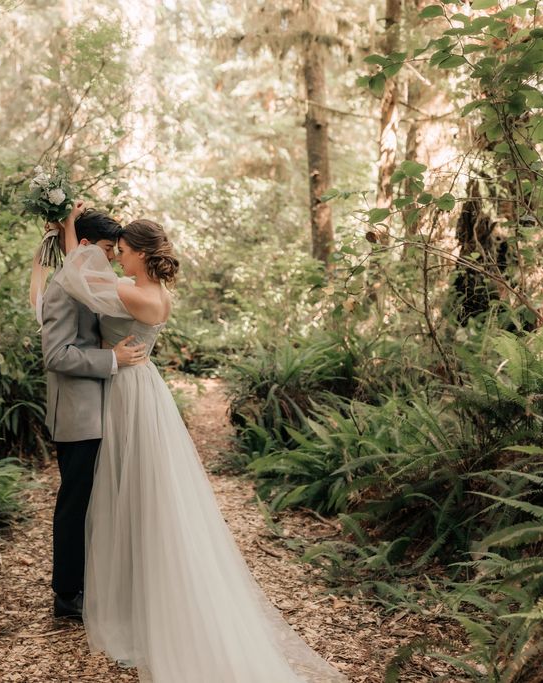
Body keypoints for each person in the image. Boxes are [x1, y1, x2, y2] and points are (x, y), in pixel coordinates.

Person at [46, 203, 347, 682]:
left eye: (122, 252)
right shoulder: (152, 291)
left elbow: (80, 278)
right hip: (138, 388)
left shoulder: (136, 295)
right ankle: (130, 589)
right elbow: (85, 272)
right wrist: (69, 230)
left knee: (138, 493)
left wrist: (68, 231)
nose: (116, 259)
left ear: (141, 255)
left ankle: (142, 596)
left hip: (129, 391)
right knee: (135, 490)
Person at [34, 208, 149, 620]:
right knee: (76, 505)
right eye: (106, 249)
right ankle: (67, 596)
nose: (113, 257)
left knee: (102, 502)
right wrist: (110, 357)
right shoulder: (62, 289)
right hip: (79, 415)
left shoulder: (83, 278)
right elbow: (56, 354)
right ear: (86, 247)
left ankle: (96, 584)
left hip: (106, 408)